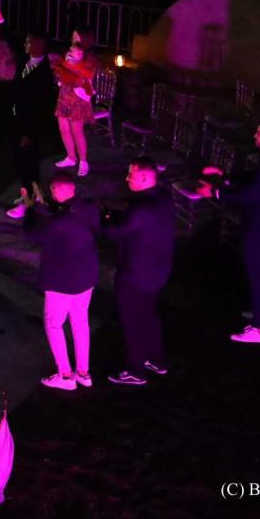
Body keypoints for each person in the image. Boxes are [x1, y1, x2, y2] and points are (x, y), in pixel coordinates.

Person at [201, 118, 260, 345]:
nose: (255, 136)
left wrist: (215, 194)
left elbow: (251, 195)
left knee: (259, 274)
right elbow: (253, 179)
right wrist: (224, 176)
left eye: (258, 133)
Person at [104, 157, 175, 386]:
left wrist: (105, 218)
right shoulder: (163, 197)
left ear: (144, 177)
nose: (126, 179)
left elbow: (117, 232)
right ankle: (156, 360)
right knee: (149, 316)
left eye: (130, 175)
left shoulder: (141, 209)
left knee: (132, 321)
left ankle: (135, 369)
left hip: (136, 275)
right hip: (158, 271)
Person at [0, 4, 58, 221]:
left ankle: (30, 201)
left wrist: (30, 134)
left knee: (28, 163)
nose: (25, 43)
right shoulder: (25, 61)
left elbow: (43, 108)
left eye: (29, 41)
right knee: (20, 162)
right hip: (16, 121)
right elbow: (10, 39)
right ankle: (31, 196)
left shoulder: (45, 75)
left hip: (29, 128)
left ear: (40, 45)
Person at [35, 173, 100, 391]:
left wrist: (32, 209)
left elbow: (34, 235)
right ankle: (83, 372)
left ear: (56, 190)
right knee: (80, 323)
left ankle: (65, 375)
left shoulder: (58, 222)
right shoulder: (89, 208)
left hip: (61, 282)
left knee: (54, 325)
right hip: (86, 277)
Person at [53, 29, 98, 177]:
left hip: (77, 98)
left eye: (76, 36)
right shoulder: (70, 52)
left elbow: (87, 73)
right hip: (65, 94)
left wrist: (70, 63)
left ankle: (83, 161)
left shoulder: (89, 56)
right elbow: (60, 66)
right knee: (63, 128)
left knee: (77, 131)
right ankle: (71, 157)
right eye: (72, 35)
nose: (73, 38)